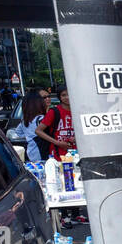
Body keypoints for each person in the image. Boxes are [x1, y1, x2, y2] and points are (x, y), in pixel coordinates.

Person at [35, 86, 87, 227]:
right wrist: (57, 142)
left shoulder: (78, 110)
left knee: (77, 185)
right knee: (64, 185)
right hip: (60, 154)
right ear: (59, 97)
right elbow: (39, 130)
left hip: (76, 153)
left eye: (69, 94)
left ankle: (76, 214)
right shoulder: (55, 112)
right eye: (64, 95)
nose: (67, 97)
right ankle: (65, 217)